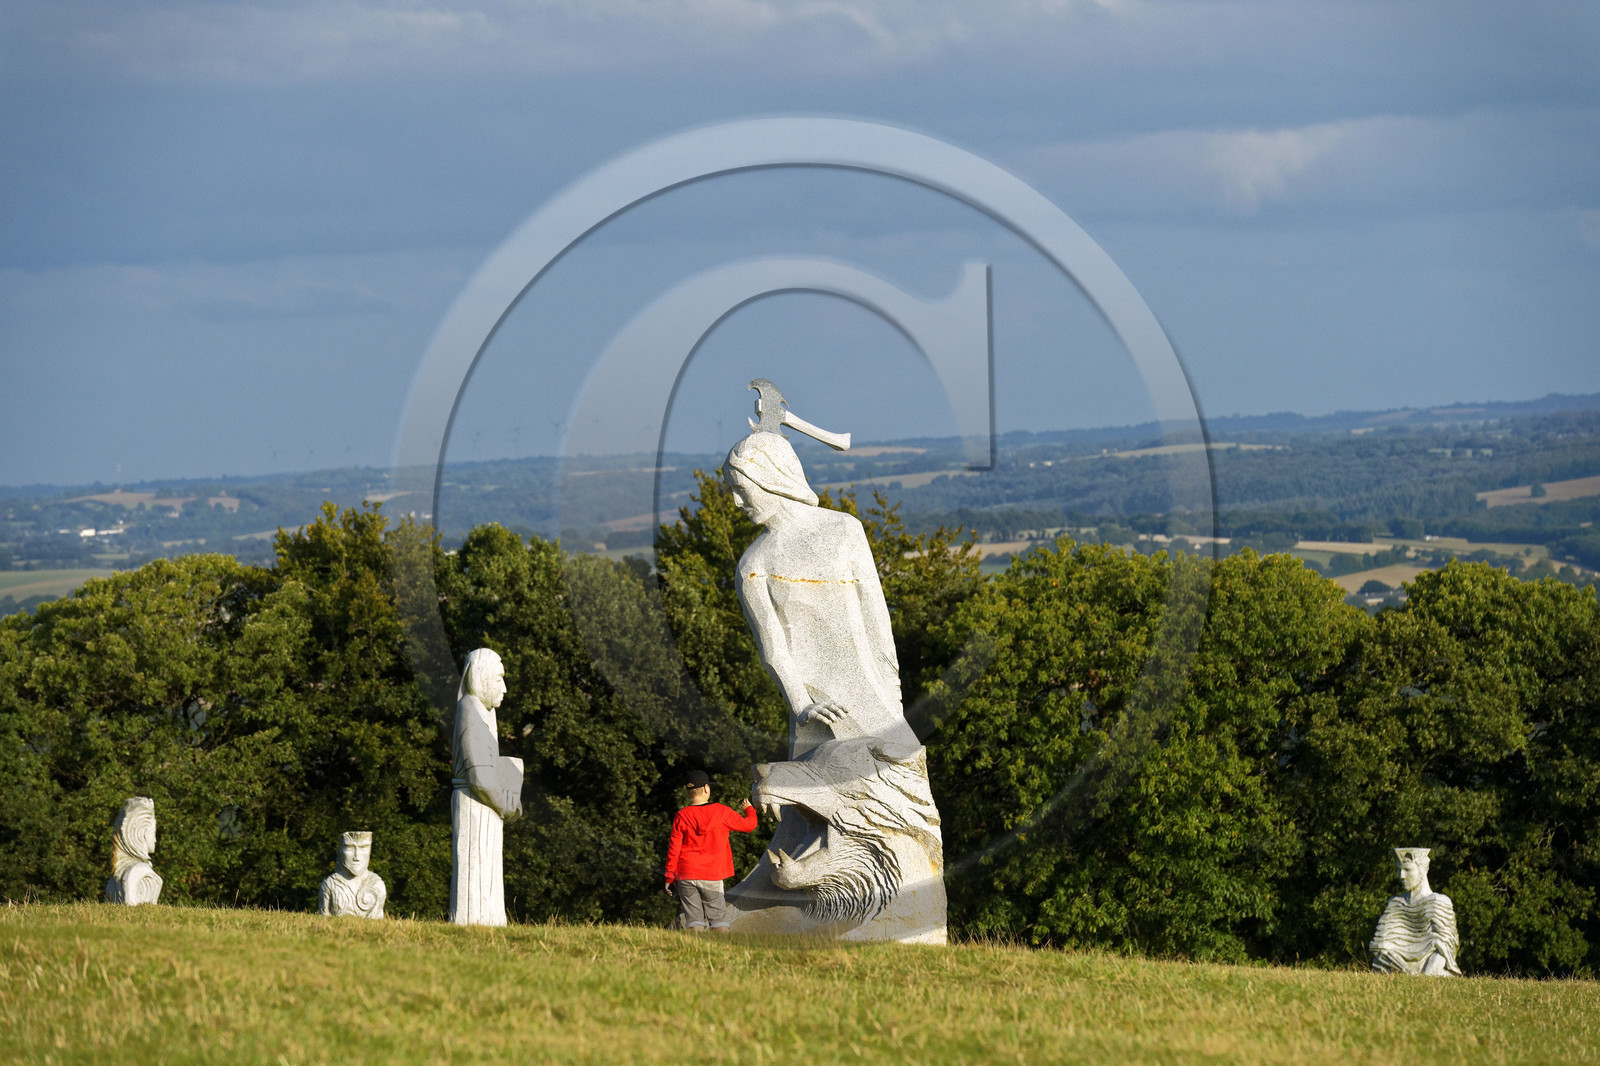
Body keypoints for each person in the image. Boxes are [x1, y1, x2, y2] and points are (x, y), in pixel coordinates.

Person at [449, 648, 524, 926]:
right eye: (498, 679)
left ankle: (489, 920)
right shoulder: (470, 712)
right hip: (475, 805)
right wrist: (507, 804)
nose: (504, 688)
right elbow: (480, 777)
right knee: (476, 870)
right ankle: (473, 921)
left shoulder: (479, 712)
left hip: (484, 807)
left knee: (486, 871)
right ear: (481, 678)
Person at [664, 770, 758, 932]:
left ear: (687, 792)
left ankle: (696, 953)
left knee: (693, 921)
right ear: (707, 789)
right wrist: (749, 809)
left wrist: (669, 876)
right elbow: (749, 825)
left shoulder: (681, 816)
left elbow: (674, 849)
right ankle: (723, 953)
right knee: (718, 920)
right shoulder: (722, 812)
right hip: (712, 874)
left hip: (686, 874)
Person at [1369, 847, 1462, 976]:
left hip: (1429, 962)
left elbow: (1446, 948)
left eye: (1407, 869)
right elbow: (1381, 946)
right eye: (1399, 869)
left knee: (1437, 963)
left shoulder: (1438, 901)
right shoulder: (1395, 903)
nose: (1401, 876)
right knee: (1380, 960)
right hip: (1396, 964)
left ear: (1422, 870)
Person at [319, 831, 386, 919]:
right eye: (349, 848)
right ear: (340, 851)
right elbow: (323, 919)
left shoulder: (377, 884)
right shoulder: (329, 885)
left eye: (363, 848)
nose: (356, 857)